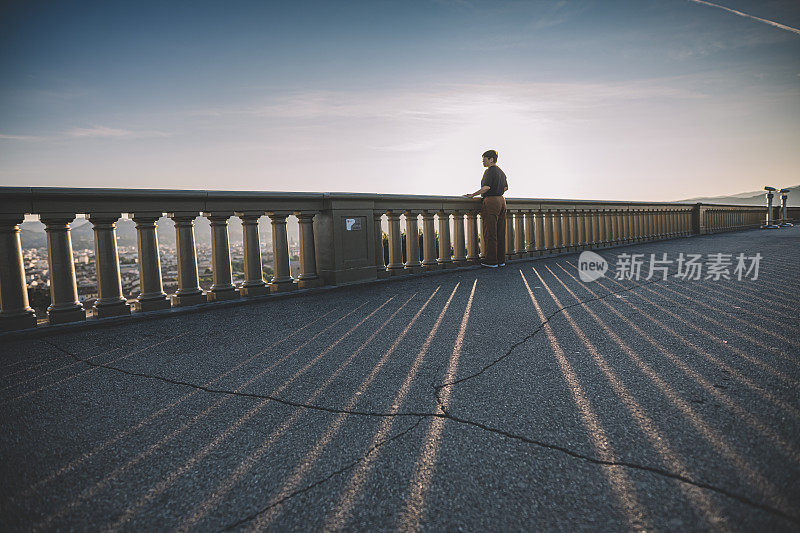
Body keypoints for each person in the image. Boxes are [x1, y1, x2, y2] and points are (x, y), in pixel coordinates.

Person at [464, 149, 508, 267]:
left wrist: (473, 195)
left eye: (484, 159)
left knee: (490, 232)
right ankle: (501, 260)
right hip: (501, 201)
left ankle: (491, 261)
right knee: (500, 231)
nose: (482, 161)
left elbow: (486, 187)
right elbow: (505, 188)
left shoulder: (490, 171)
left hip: (492, 202)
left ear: (491, 159)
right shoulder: (501, 172)